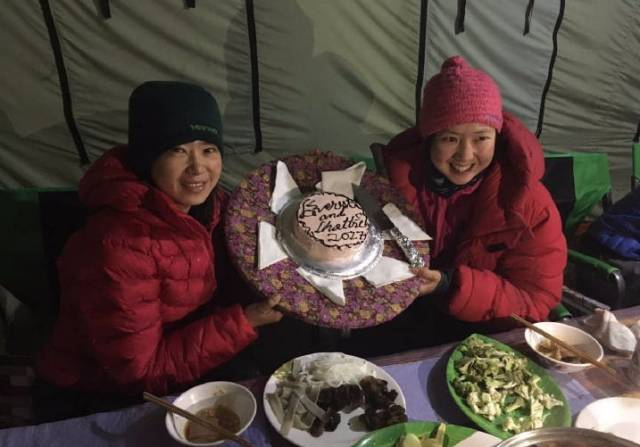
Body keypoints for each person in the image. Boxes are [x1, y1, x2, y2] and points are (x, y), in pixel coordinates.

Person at [34, 81, 283, 421]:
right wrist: (245, 320)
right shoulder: (119, 246)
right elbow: (140, 374)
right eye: (178, 150)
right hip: (100, 392)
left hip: (185, 346)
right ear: (147, 158)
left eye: (208, 149)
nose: (198, 167)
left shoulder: (213, 206)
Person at [343, 56, 567, 355]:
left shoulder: (527, 204)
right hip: (400, 314)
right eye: (450, 138)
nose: (465, 155)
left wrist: (451, 284)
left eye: (481, 138)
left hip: (480, 334)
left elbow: (536, 300)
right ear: (429, 139)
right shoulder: (394, 183)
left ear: (498, 137)